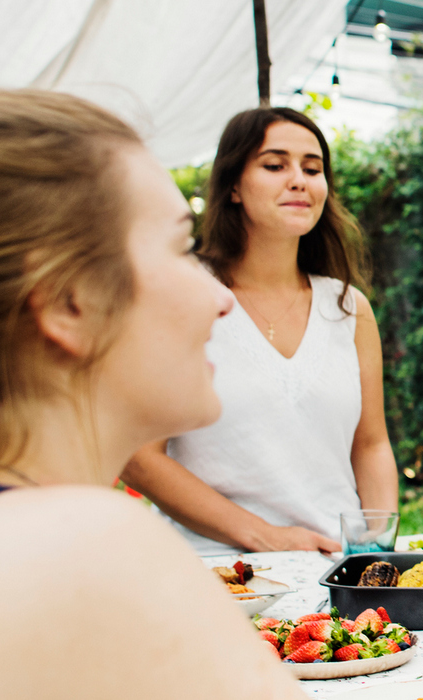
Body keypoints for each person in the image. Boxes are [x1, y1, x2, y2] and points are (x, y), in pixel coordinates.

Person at [0, 89, 423, 700]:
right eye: (177, 249)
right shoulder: (94, 549)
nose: (218, 298)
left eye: (313, 167)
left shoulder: (28, 541)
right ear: (67, 304)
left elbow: (372, 441)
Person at [120, 108, 398, 555]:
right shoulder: (181, 292)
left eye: (313, 168)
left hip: (335, 569)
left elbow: (371, 445)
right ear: (233, 186)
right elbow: (138, 457)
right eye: (274, 165)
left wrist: (375, 546)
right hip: (218, 573)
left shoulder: (349, 307)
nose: (299, 180)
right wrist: (263, 536)